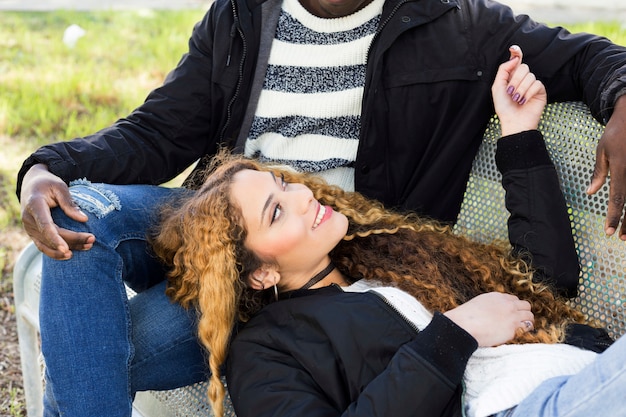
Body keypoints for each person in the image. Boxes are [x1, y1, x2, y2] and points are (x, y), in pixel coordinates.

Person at [15, 0, 626, 413]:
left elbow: (584, 58)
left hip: (322, 261)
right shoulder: (243, 15)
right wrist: (47, 167)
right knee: (76, 216)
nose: (302, 189)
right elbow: (158, 130)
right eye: (289, 197)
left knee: (88, 346)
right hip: (230, 225)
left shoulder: (454, 22)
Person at [150, 53, 617, 417]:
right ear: (260, 273)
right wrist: (455, 334)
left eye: (283, 183)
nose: (302, 197)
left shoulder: (384, 256)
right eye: (276, 213)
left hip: (581, 374)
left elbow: (546, 282)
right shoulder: (267, 350)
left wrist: (518, 134)